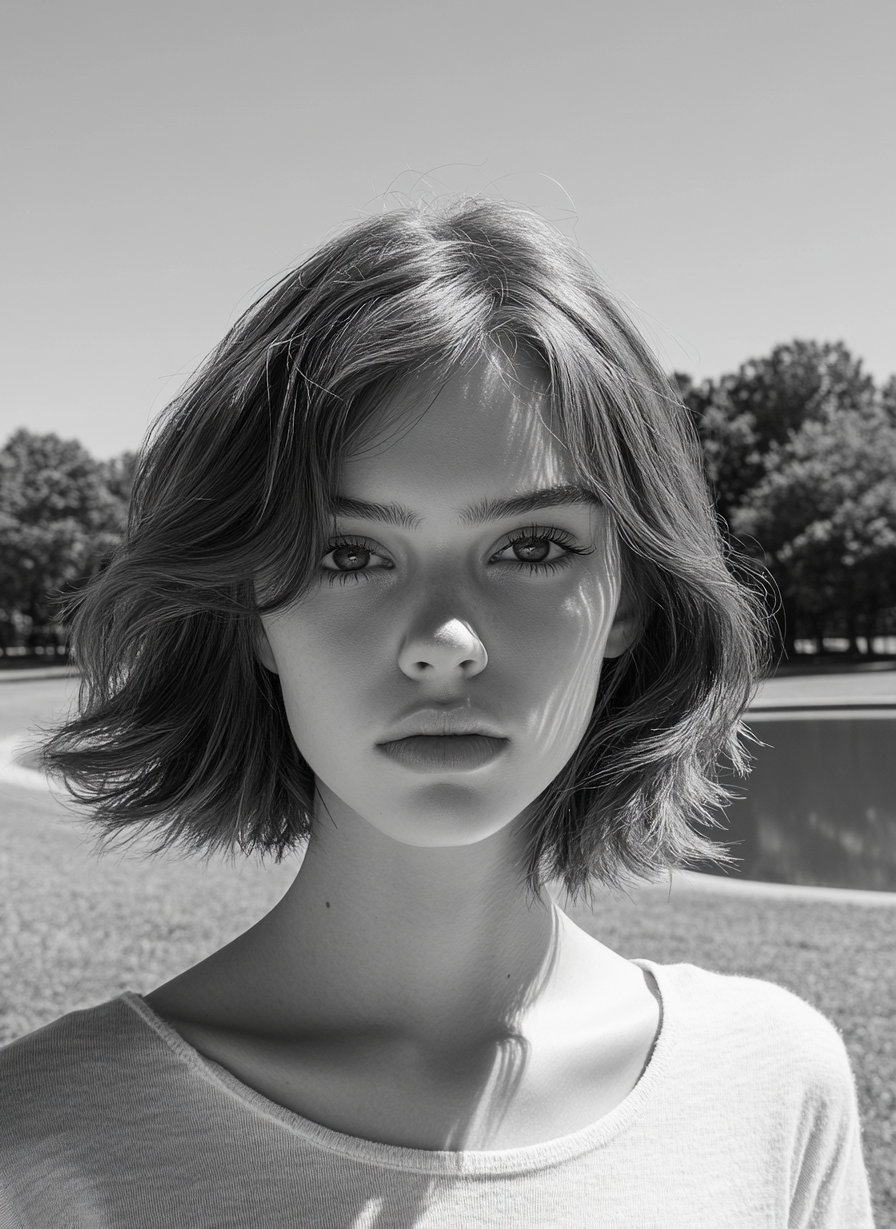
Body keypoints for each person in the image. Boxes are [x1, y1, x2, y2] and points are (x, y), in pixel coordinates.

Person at [0, 199, 874, 1227]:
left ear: (627, 601)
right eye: (349, 554)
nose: (444, 641)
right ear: (248, 613)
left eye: (533, 547)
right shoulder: (38, 1143)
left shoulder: (776, 1089)